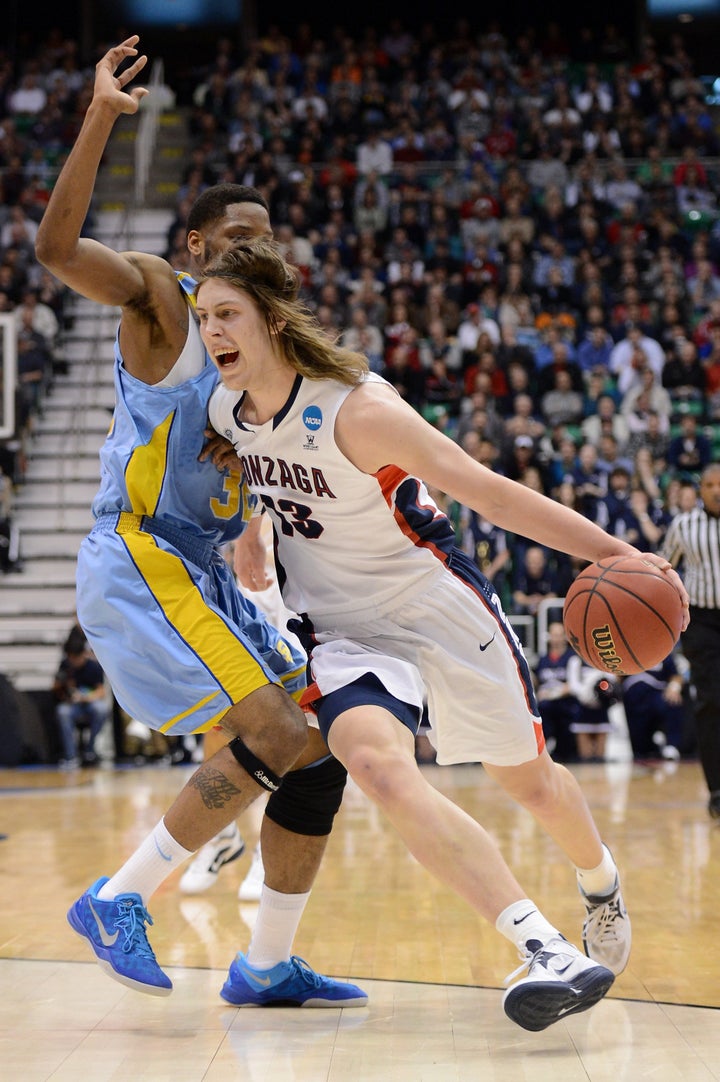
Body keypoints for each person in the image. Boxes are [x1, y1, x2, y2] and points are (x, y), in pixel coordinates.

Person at [197, 239, 690, 1032]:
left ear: (274, 320)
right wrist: (256, 526)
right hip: (344, 631)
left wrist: (615, 553)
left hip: (437, 604)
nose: (212, 331)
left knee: (529, 782)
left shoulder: (360, 410)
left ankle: (600, 884)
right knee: (377, 768)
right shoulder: (226, 408)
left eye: (227, 314)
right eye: (203, 317)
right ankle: (545, 948)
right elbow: (261, 462)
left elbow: (489, 493)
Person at [35, 36, 366, 1009]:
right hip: (142, 553)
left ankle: (265, 960)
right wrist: (100, 113)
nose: (254, 254)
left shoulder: (262, 352)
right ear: (193, 252)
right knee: (270, 726)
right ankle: (119, 895)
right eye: (235, 240)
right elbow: (56, 252)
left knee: (316, 743)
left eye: (267, 241)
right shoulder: (163, 305)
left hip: (206, 569)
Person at [661, 462, 720, 819]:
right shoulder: (684, 525)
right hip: (703, 622)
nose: (716, 490)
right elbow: (663, 568)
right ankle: (716, 789)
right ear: (700, 490)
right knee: (711, 702)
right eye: (710, 484)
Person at [53, 638, 108, 768]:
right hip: (73, 705)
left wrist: (85, 697)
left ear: (83, 654)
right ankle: (71, 756)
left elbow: (101, 692)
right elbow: (56, 688)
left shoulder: (93, 667)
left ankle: (90, 749)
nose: (73, 661)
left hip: (89, 703)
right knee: (62, 712)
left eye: (76, 657)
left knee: (101, 709)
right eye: (71, 658)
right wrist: (61, 684)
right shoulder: (65, 665)